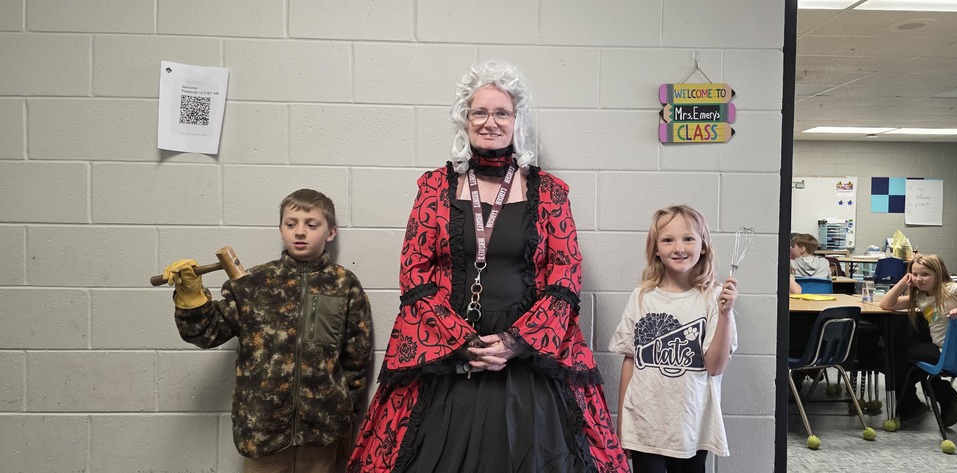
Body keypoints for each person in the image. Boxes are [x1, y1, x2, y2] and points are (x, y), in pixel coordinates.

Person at [347, 60, 628, 473]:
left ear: (517, 121)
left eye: (502, 113)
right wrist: (462, 341)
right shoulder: (434, 187)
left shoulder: (550, 192)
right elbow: (414, 274)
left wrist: (515, 342)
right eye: (479, 112)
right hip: (449, 349)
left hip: (529, 355)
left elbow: (565, 276)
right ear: (465, 119)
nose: (490, 122)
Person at [163, 189, 373, 473]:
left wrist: (346, 415)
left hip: (322, 431)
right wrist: (191, 298)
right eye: (291, 223)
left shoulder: (343, 285)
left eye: (312, 224)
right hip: (262, 429)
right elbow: (207, 333)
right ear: (280, 229)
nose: (300, 232)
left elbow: (357, 357)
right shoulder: (253, 284)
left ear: (331, 233)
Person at [608, 205, 738, 473]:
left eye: (688, 238)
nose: (679, 248)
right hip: (644, 427)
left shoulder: (714, 298)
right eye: (668, 240)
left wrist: (726, 314)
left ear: (703, 246)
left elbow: (714, 367)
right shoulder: (641, 296)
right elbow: (630, 361)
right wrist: (623, 422)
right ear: (656, 249)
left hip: (691, 428)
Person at [877, 253, 957, 426]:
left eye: (925, 274)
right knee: (911, 364)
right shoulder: (921, 296)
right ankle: (943, 399)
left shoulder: (955, 290)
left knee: (897, 353)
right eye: (915, 274)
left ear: (939, 274)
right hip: (943, 349)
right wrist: (903, 281)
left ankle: (919, 403)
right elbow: (886, 304)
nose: (919, 279)